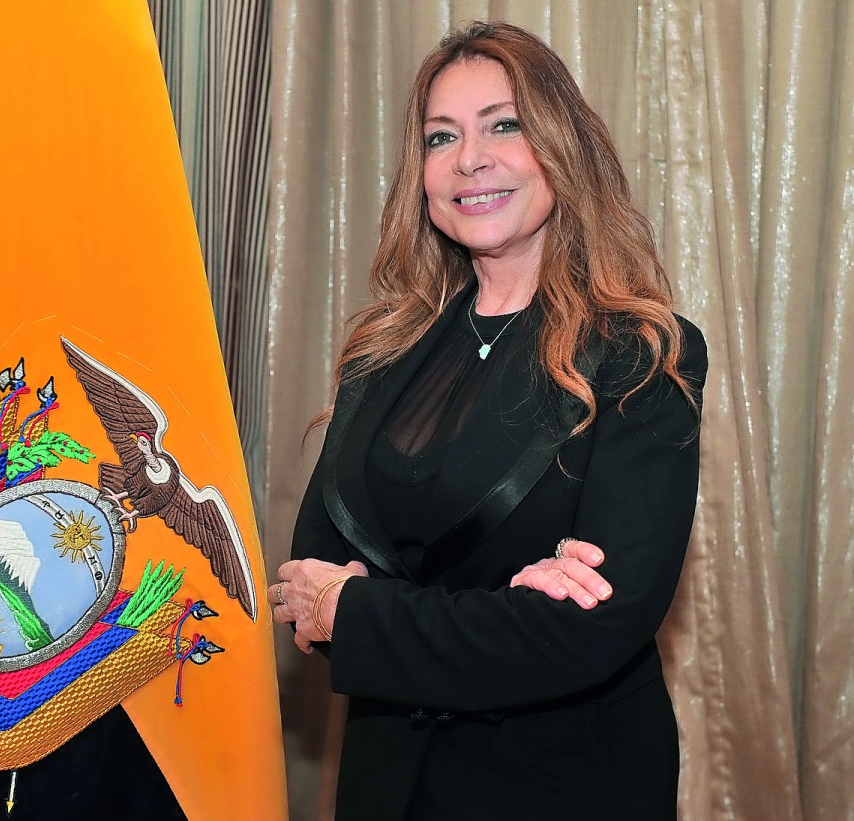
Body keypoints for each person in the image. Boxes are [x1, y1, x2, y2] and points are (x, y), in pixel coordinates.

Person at [269, 21, 707, 820]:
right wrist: (504, 604)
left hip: (562, 782)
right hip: (388, 778)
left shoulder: (640, 351)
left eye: (503, 125)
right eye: (442, 137)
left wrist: (366, 610)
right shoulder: (383, 350)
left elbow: (591, 627)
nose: (470, 158)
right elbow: (309, 586)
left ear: (561, 148)